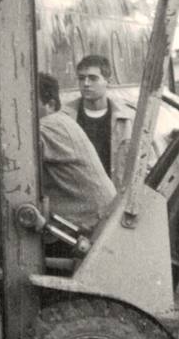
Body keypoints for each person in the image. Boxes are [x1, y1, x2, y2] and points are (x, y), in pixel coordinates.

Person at [38, 72, 116, 233]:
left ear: (50, 105)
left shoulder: (48, 126)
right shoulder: (63, 120)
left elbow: (10, 157)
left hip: (90, 227)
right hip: (100, 219)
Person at [66, 54, 133, 188]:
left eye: (93, 78)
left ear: (109, 81)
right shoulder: (65, 117)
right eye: (81, 78)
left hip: (114, 197)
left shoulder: (126, 120)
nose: (86, 84)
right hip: (78, 198)